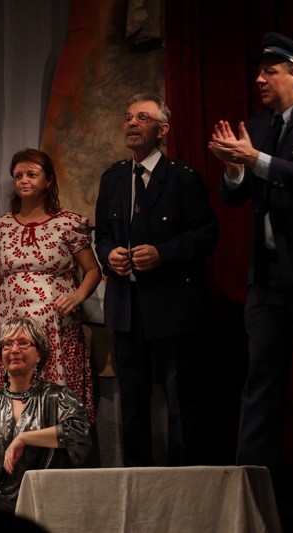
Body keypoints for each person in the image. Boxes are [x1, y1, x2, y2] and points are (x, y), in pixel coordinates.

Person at [207, 33, 293, 475]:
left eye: (269, 72)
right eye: (258, 72)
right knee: (260, 384)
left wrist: (253, 158)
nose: (258, 79)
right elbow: (236, 196)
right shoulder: (258, 125)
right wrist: (235, 169)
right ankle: (253, 492)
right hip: (268, 278)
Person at [94, 94, 218, 466]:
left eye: (142, 118)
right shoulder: (113, 177)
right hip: (126, 306)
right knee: (132, 401)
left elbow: (206, 236)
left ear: (162, 129)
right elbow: (102, 235)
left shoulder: (182, 177)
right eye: (128, 117)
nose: (131, 123)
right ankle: (137, 479)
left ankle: (184, 480)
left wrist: (163, 253)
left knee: (182, 399)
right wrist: (109, 255)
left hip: (172, 304)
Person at [0, 149, 100, 424]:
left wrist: (77, 296)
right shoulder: (0, 228)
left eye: (31, 174)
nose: (23, 180)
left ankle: (58, 448)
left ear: (48, 181)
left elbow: (93, 270)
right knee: (17, 406)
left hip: (57, 332)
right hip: (14, 333)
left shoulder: (68, 224)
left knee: (57, 407)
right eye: (18, 176)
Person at [0, 317, 91, 519]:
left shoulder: (59, 397)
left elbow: (79, 435)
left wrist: (24, 438)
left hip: (44, 499)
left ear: (39, 354)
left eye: (23, 343)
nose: (14, 349)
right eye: (7, 344)